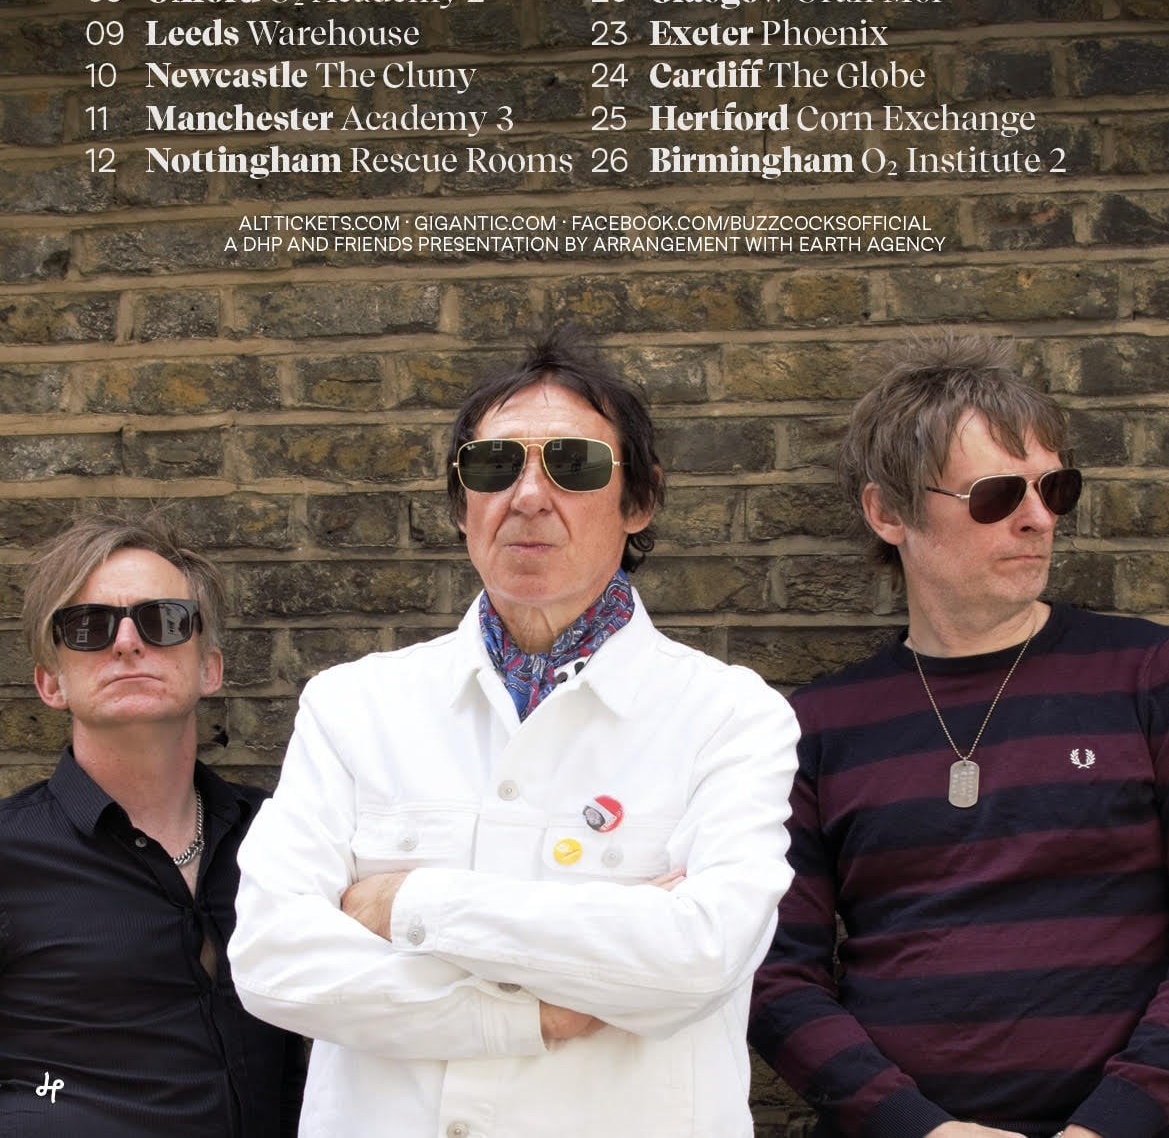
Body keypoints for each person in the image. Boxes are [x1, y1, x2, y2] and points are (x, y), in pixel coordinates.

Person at [229, 326, 799, 1138]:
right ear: (461, 504)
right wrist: (528, 1015)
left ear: (639, 501)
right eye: (495, 465)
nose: (528, 494)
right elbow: (271, 961)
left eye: (574, 464)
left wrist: (409, 902)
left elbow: (698, 959)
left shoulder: (730, 715)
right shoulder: (353, 706)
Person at [749, 332, 1169, 1138]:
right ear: (887, 512)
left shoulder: (1146, 676)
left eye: (1055, 488)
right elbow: (773, 974)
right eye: (996, 495)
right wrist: (918, 1128)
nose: (1038, 519)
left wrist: (1112, 1124)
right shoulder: (818, 727)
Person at [0, 511, 304, 1137]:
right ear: (51, 682)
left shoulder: (283, 835)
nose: (127, 642)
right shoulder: (9, 854)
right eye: (89, 626)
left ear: (209, 667)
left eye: (164, 620)